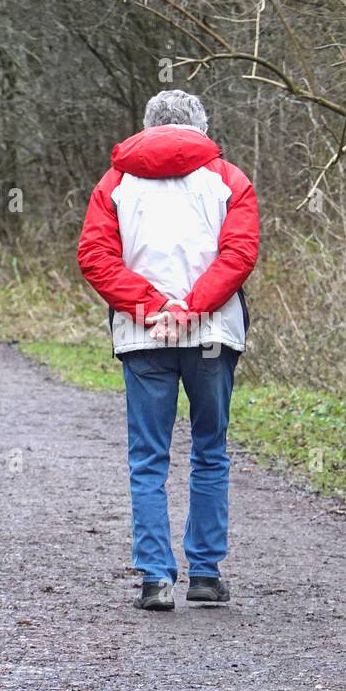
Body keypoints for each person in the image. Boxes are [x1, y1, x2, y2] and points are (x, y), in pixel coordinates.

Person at [77, 90, 260, 611]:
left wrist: (152, 306)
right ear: (201, 128)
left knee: (148, 460)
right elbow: (240, 252)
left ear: (148, 126)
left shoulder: (114, 183)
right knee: (209, 451)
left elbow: (95, 256)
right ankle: (204, 572)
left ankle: (156, 579)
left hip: (142, 337)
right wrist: (191, 308)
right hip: (212, 336)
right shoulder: (229, 179)